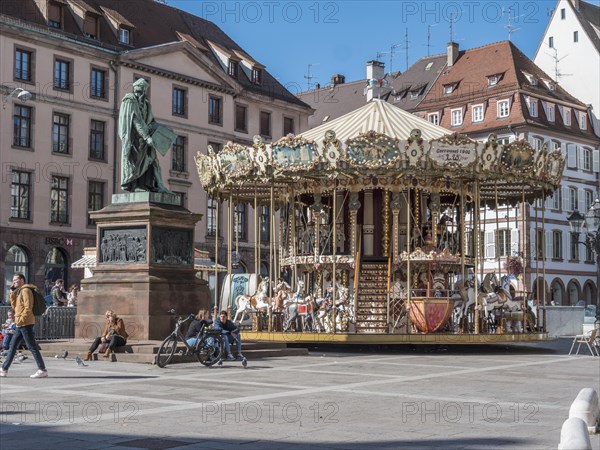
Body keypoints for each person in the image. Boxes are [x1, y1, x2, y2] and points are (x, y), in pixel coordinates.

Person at [119, 78, 174, 193]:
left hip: (146, 140)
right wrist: (146, 137)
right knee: (136, 163)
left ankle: (158, 186)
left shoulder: (147, 105)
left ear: (144, 91)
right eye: (137, 91)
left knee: (154, 161)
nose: (138, 93)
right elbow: (135, 121)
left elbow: (151, 121)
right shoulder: (130, 100)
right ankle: (135, 186)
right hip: (134, 140)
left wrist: (165, 131)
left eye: (141, 91)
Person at [0, 273, 48, 378]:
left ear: (22, 280)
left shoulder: (26, 290)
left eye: (16, 280)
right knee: (13, 346)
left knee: (32, 346)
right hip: (20, 323)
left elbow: (28, 307)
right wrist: (12, 293)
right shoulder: (19, 291)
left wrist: (21, 319)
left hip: (25, 323)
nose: (14, 282)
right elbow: (14, 306)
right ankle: (4, 368)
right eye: (13, 280)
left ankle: (42, 369)